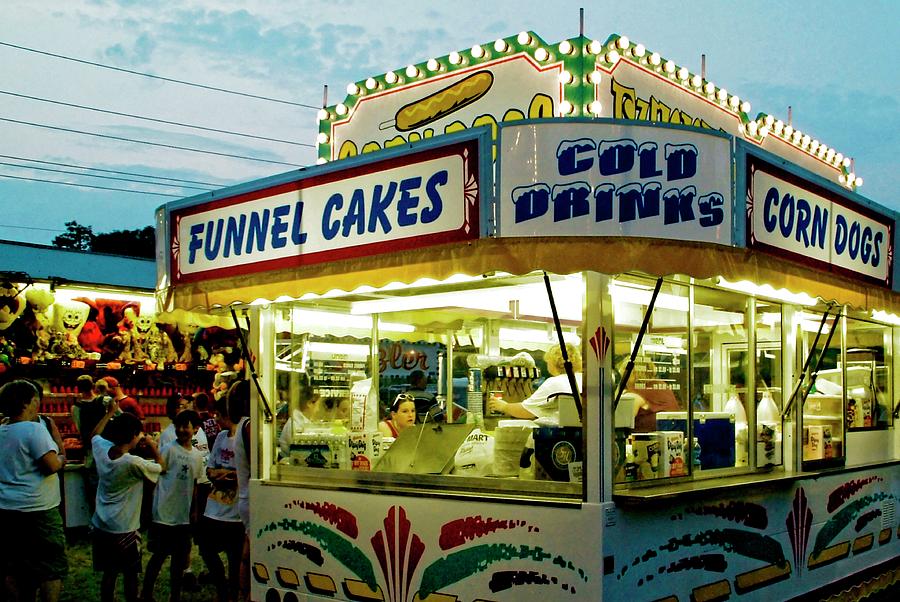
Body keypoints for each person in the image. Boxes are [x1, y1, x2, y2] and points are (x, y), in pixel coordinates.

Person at [0, 379, 68, 602]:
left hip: (7, 509)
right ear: (31, 402)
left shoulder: (2, 430)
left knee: (16, 565)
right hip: (38, 510)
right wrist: (61, 454)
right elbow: (51, 466)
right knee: (50, 565)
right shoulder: (34, 429)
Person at [91, 406, 163, 602]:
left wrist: (109, 412)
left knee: (110, 573)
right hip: (125, 529)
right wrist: (152, 446)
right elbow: (161, 467)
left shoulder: (101, 450)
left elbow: (95, 434)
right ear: (133, 435)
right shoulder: (133, 463)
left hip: (101, 525)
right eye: (139, 434)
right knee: (130, 573)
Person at [141, 410, 204, 602]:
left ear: (196, 429)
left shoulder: (197, 457)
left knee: (179, 559)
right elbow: (157, 475)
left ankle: (175, 595)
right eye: (179, 425)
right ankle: (146, 593)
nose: (182, 430)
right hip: (164, 514)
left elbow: (194, 484)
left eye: (186, 426)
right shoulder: (168, 449)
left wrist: (193, 511)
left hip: (182, 516)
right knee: (159, 556)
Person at [199, 396, 245, 602]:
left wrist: (230, 475)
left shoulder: (244, 439)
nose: (216, 419)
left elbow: (244, 472)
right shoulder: (220, 437)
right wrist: (217, 473)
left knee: (235, 558)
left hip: (235, 512)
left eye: (219, 415)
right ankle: (221, 586)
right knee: (206, 549)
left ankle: (232, 593)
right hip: (214, 507)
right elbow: (210, 468)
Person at [488, 343, 582, 424]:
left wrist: (504, 406)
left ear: (553, 362)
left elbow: (526, 411)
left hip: (558, 436)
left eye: (548, 361)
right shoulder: (584, 380)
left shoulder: (555, 383)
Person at [73, 377, 113, 514]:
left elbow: (79, 428)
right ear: (93, 385)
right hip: (109, 450)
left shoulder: (76, 408)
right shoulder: (105, 401)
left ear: (78, 388)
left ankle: (95, 520)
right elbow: (118, 415)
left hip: (90, 453)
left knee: (93, 492)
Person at [227, 381, 252, 602]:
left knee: (247, 553)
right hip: (252, 498)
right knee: (250, 555)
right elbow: (261, 460)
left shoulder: (243, 424)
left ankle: (241, 595)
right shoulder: (249, 426)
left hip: (246, 497)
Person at [278, 379, 321, 456]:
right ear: (310, 403)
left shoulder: (302, 422)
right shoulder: (295, 425)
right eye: (318, 405)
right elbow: (303, 454)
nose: (318, 409)